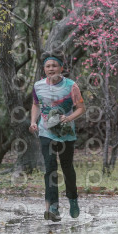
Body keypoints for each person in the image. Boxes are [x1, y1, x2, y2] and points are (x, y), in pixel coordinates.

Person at [29, 54, 85, 221]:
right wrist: (33, 121)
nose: (51, 69)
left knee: (67, 168)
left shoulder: (71, 86)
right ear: (44, 69)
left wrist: (68, 118)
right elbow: (35, 104)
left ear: (61, 68)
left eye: (54, 65)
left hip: (66, 134)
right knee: (50, 168)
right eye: (48, 66)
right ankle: (53, 207)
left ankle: (73, 199)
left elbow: (81, 108)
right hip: (46, 132)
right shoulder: (38, 86)